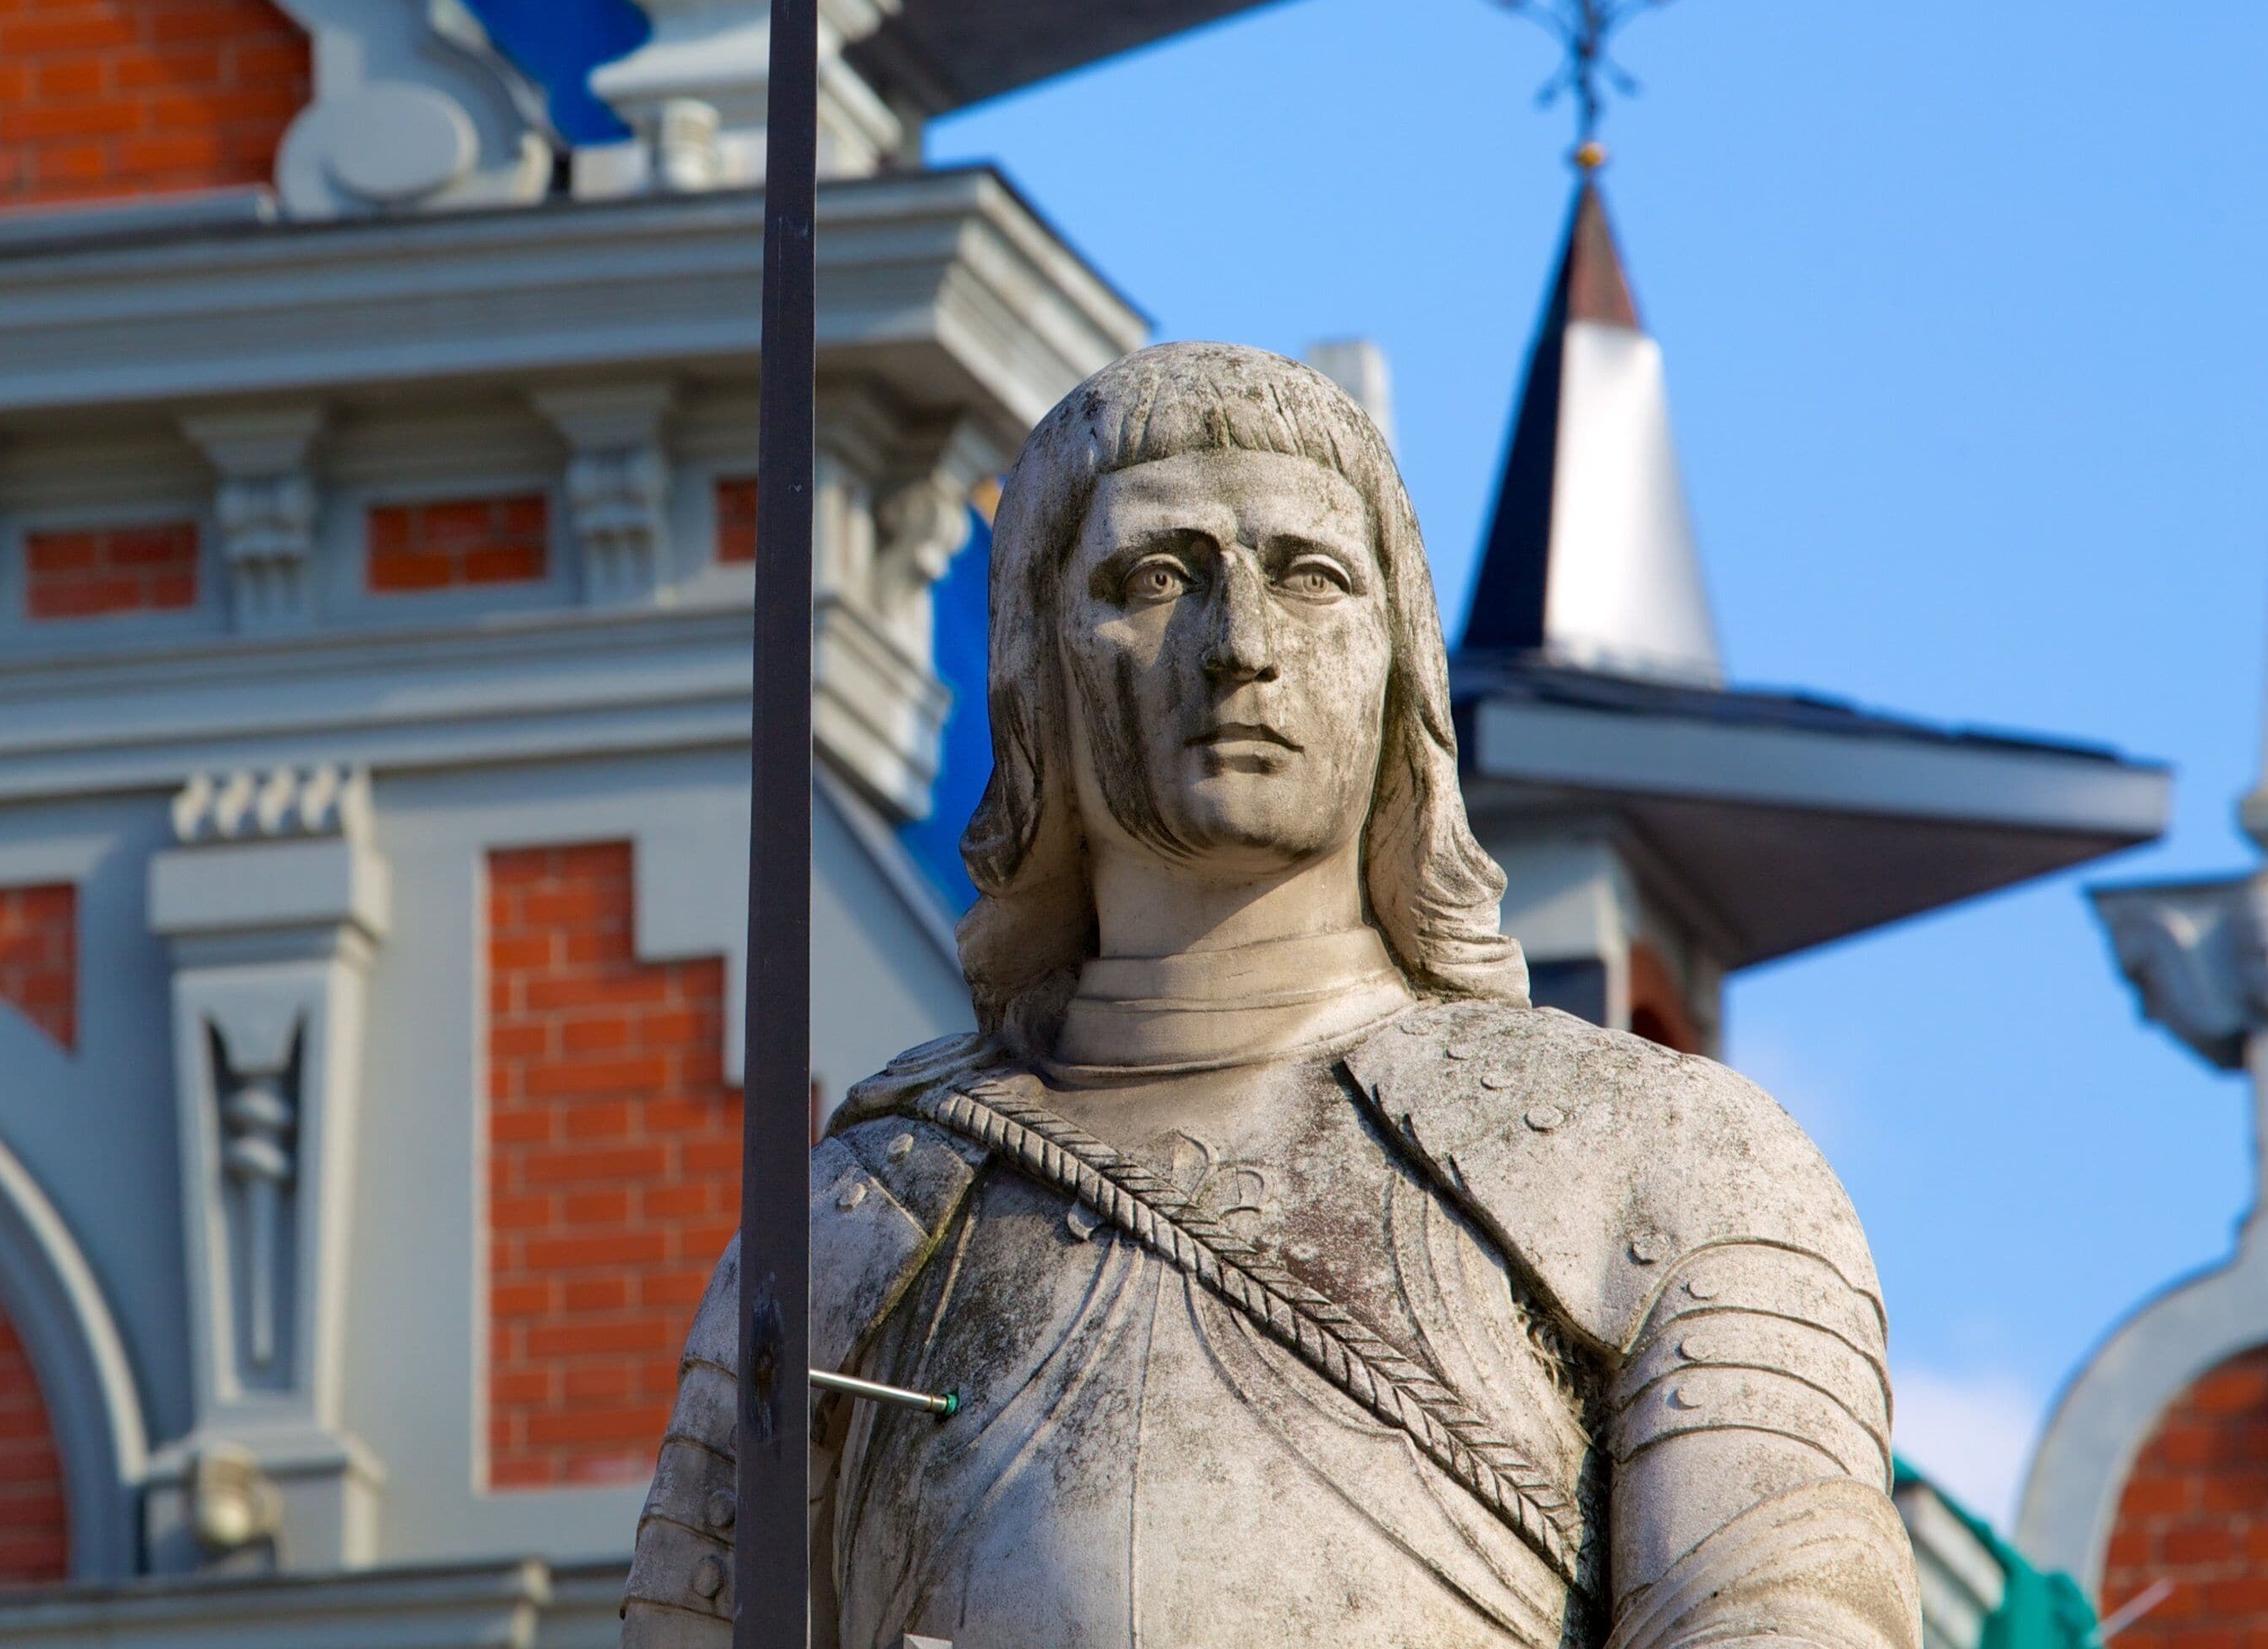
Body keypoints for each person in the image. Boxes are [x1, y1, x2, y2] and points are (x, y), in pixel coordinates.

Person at [624, 343, 1916, 1649]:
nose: (1239, 646)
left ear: (1401, 665)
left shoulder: (1666, 1163)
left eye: (1311, 577)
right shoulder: (851, 1228)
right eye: (1154, 578)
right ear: (1035, 669)